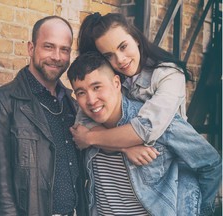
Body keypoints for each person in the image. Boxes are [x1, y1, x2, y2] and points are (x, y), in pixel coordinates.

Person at [69, 12, 221, 215]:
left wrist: (199, 209)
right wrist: (125, 147)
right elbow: (84, 118)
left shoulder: (167, 75)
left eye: (123, 46)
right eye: (108, 56)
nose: (120, 59)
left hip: (174, 170)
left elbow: (145, 129)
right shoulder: (117, 79)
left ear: (137, 40)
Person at [0, 16, 87, 216]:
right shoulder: (2, 103)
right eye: (48, 46)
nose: (57, 56)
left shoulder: (73, 105)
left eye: (64, 49)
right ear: (31, 48)